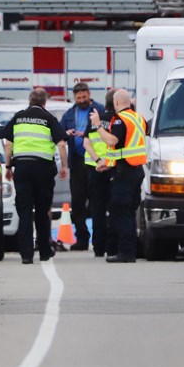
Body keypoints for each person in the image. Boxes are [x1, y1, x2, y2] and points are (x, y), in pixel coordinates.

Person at [3, 87, 69, 264]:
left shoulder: (18, 117)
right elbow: (61, 144)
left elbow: (8, 144)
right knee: (42, 211)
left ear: (29, 100)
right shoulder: (49, 119)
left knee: (24, 211)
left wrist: (8, 166)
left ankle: (26, 255)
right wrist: (65, 166)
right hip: (43, 170)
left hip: (22, 168)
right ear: (44, 102)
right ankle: (45, 252)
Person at [89, 89, 147, 263]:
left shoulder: (121, 120)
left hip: (126, 172)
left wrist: (98, 125)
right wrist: (107, 164)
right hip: (136, 169)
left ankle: (125, 252)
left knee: (119, 211)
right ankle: (131, 250)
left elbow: (112, 141)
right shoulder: (138, 118)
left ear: (116, 103)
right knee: (129, 211)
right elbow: (124, 147)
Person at [60, 82, 105, 251]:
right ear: (74, 97)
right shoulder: (70, 114)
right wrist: (67, 134)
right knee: (78, 200)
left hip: (95, 160)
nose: (81, 100)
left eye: (84, 97)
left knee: (96, 200)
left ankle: (99, 239)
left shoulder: (99, 110)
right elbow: (59, 134)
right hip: (78, 160)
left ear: (89, 94)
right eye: (78, 98)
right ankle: (82, 238)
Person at [83, 89, 117, 257]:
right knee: (114, 208)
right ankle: (112, 247)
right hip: (113, 168)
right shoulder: (118, 120)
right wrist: (107, 162)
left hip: (94, 169)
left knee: (97, 209)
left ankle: (98, 247)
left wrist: (97, 160)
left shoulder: (97, 119)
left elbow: (86, 144)